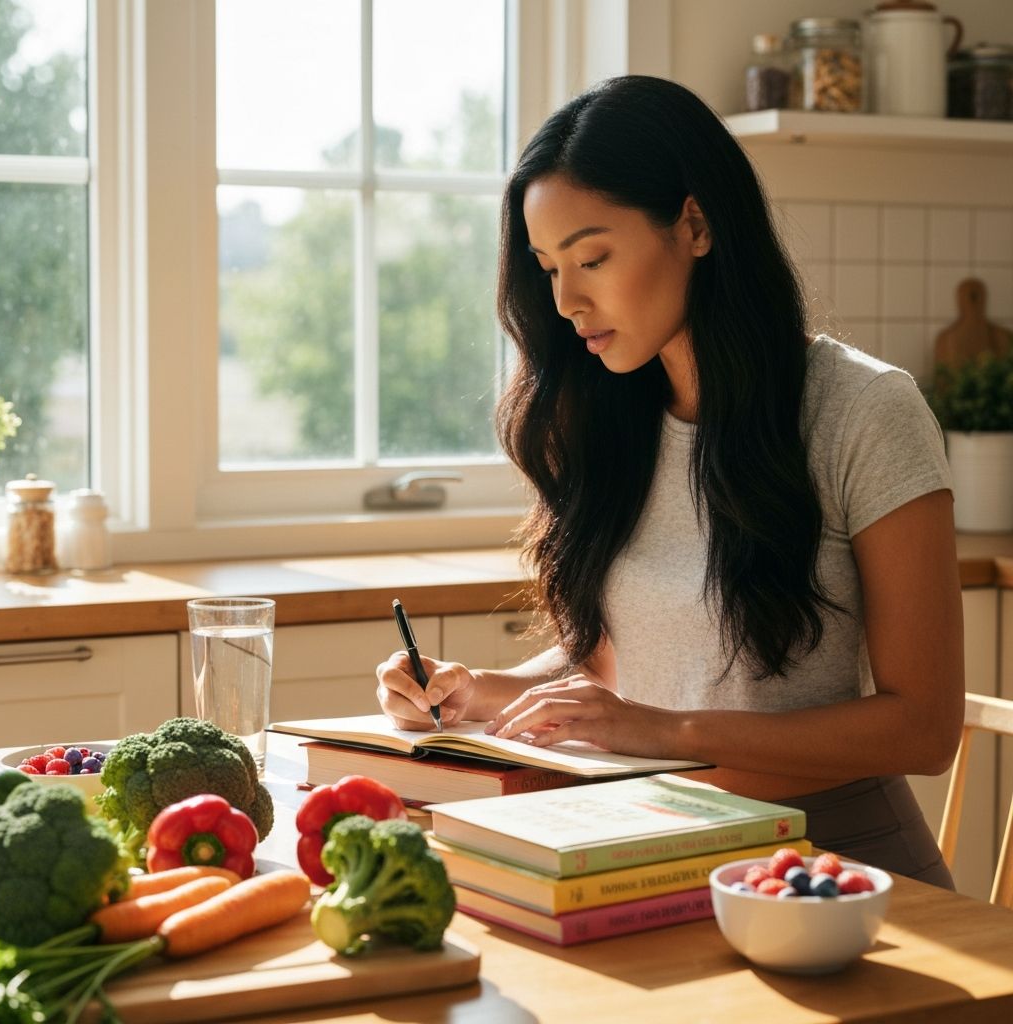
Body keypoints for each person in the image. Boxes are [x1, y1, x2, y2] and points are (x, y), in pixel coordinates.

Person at [375, 76, 964, 887]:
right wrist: (475, 694)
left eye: (592, 257)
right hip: (657, 856)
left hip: (840, 880)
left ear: (694, 223)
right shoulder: (613, 421)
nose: (568, 300)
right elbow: (626, 671)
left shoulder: (865, 410)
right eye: (548, 268)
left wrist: (665, 732)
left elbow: (925, 729)